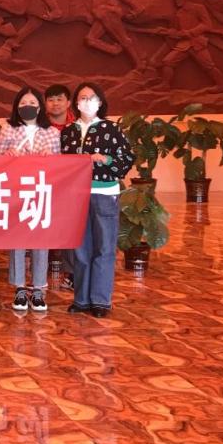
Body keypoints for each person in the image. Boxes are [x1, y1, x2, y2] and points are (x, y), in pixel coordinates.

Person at [60, 82, 135, 318]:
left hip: (104, 193)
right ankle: (81, 299)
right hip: (76, 195)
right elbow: (60, 163)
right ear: (76, 103)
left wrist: (106, 159)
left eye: (91, 97)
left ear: (100, 102)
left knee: (104, 247)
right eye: (82, 98)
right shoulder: (68, 131)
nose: (86, 101)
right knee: (81, 249)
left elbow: (127, 158)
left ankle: (101, 300)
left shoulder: (111, 129)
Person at [0, 87, 61, 313]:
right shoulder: (7, 130)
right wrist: (7, 156)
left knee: (41, 241)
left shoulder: (52, 132)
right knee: (18, 241)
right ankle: (20, 288)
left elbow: (60, 166)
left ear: (40, 107)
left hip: (41, 192)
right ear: (16, 107)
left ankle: (39, 288)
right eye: (23, 103)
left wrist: (50, 159)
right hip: (16, 193)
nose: (28, 106)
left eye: (32, 102)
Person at [44, 83, 76, 289]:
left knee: (71, 229)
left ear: (68, 102)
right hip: (46, 184)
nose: (55, 103)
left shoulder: (78, 126)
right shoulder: (40, 126)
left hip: (71, 186)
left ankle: (71, 273)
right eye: (51, 99)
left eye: (60, 99)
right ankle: (39, 274)